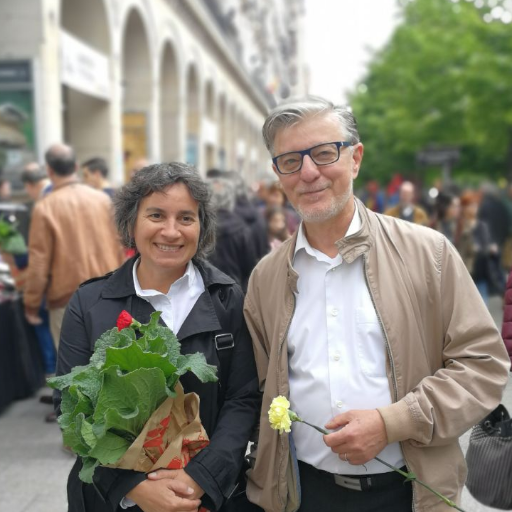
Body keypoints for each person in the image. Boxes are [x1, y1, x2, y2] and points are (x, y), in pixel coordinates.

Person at [243, 96, 510, 512]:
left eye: (324, 152)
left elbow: (483, 365)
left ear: (355, 158)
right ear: (278, 174)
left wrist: (392, 423)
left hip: (410, 494)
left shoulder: (429, 253)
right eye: (290, 160)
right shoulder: (266, 278)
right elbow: (257, 390)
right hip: (304, 493)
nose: (308, 172)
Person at [55, 162, 262, 512]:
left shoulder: (228, 299)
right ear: (131, 224)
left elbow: (242, 400)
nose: (171, 231)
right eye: (155, 215)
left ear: (202, 227)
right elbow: (72, 407)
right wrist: (133, 487)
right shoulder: (90, 302)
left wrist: (200, 479)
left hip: (204, 499)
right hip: (113, 497)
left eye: (186, 218)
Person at [23, 143, 123, 355]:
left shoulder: (45, 207)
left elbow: (39, 262)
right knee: (111, 365)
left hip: (65, 301)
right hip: (106, 294)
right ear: (76, 166)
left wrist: (31, 303)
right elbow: (118, 246)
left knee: (74, 373)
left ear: (49, 171)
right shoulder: (102, 200)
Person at [206, 172, 258, 292]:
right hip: (235, 290)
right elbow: (249, 267)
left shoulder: (201, 228)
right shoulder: (242, 228)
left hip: (206, 290)